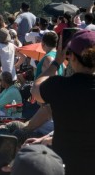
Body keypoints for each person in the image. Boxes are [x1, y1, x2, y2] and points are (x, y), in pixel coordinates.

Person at [32, 29, 95, 174]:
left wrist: (56, 63)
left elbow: (36, 89)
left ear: (71, 57)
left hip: (65, 165)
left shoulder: (58, 86)